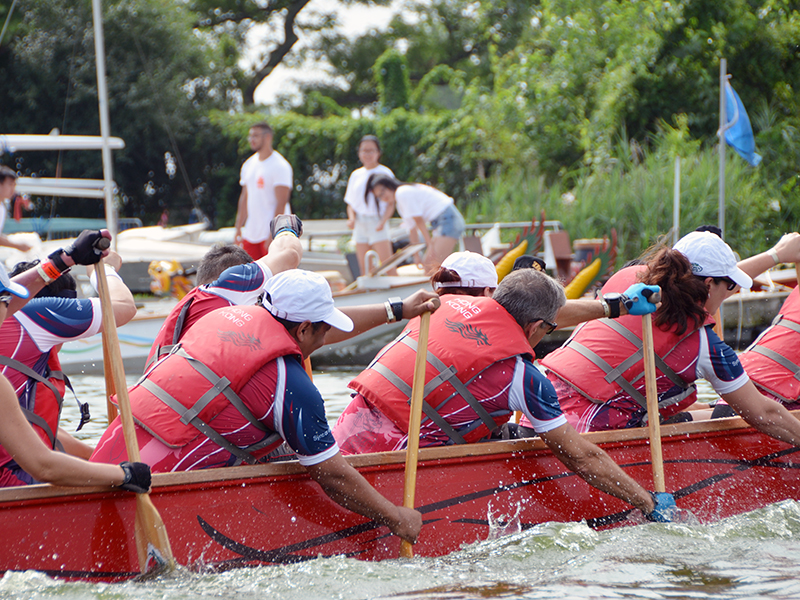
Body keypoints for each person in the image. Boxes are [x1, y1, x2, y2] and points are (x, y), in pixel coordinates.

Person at [91, 269, 422, 544]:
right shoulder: (291, 386)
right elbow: (333, 476)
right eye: (323, 329)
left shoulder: (224, 317)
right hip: (144, 496)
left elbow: (304, 333)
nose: (324, 341)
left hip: (102, 469)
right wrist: (395, 517)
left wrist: (398, 310)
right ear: (305, 328)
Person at [332, 268, 675, 521]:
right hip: (387, 477)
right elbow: (580, 457)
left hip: (339, 448)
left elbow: (543, 315)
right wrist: (645, 501)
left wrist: (616, 307)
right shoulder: (522, 378)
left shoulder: (446, 305)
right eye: (548, 329)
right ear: (535, 327)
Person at [539, 232, 800, 455]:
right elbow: (767, 415)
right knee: (725, 417)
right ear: (709, 285)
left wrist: (776, 255)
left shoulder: (626, 280)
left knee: (706, 411)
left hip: (540, 416)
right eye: (730, 284)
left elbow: (544, 314)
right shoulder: (704, 345)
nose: (734, 291)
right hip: (588, 443)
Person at [147, 215, 440, 368]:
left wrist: (398, 309)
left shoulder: (196, 315)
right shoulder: (234, 285)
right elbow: (288, 254)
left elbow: (317, 329)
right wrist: (286, 226)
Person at [0, 237, 150, 493]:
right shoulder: (37, 314)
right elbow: (124, 307)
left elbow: (32, 433)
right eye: (5, 301)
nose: (8, 308)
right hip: (14, 495)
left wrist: (99, 458)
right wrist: (124, 474)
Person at [366, 174, 466, 271]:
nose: (383, 197)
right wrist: (416, 255)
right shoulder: (400, 199)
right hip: (443, 221)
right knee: (430, 267)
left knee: (432, 267)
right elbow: (412, 229)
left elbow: (419, 221)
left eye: (383, 192)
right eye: (379, 196)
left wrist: (430, 245)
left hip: (448, 219)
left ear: (389, 185)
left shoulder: (402, 192)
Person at [235, 122, 293, 259]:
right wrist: (238, 227)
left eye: (255, 136)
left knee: (274, 276)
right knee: (253, 277)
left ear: (268, 137)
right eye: (250, 136)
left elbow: (282, 202)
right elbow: (245, 197)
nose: (251, 140)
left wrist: (273, 233)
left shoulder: (280, 165)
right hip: (252, 233)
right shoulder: (248, 164)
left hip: (272, 234)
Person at [344, 135, 396, 277]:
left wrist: (383, 221)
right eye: (364, 151)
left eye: (371, 150)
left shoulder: (385, 172)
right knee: (365, 268)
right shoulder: (356, 174)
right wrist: (351, 218)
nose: (367, 154)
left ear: (378, 152)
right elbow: (351, 203)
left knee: (387, 264)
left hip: (377, 220)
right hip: (360, 223)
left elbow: (391, 202)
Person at [0, 166, 32, 252]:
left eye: (14, 185)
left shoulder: (2, 207)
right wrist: (17, 245)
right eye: (10, 184)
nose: (13, 189)